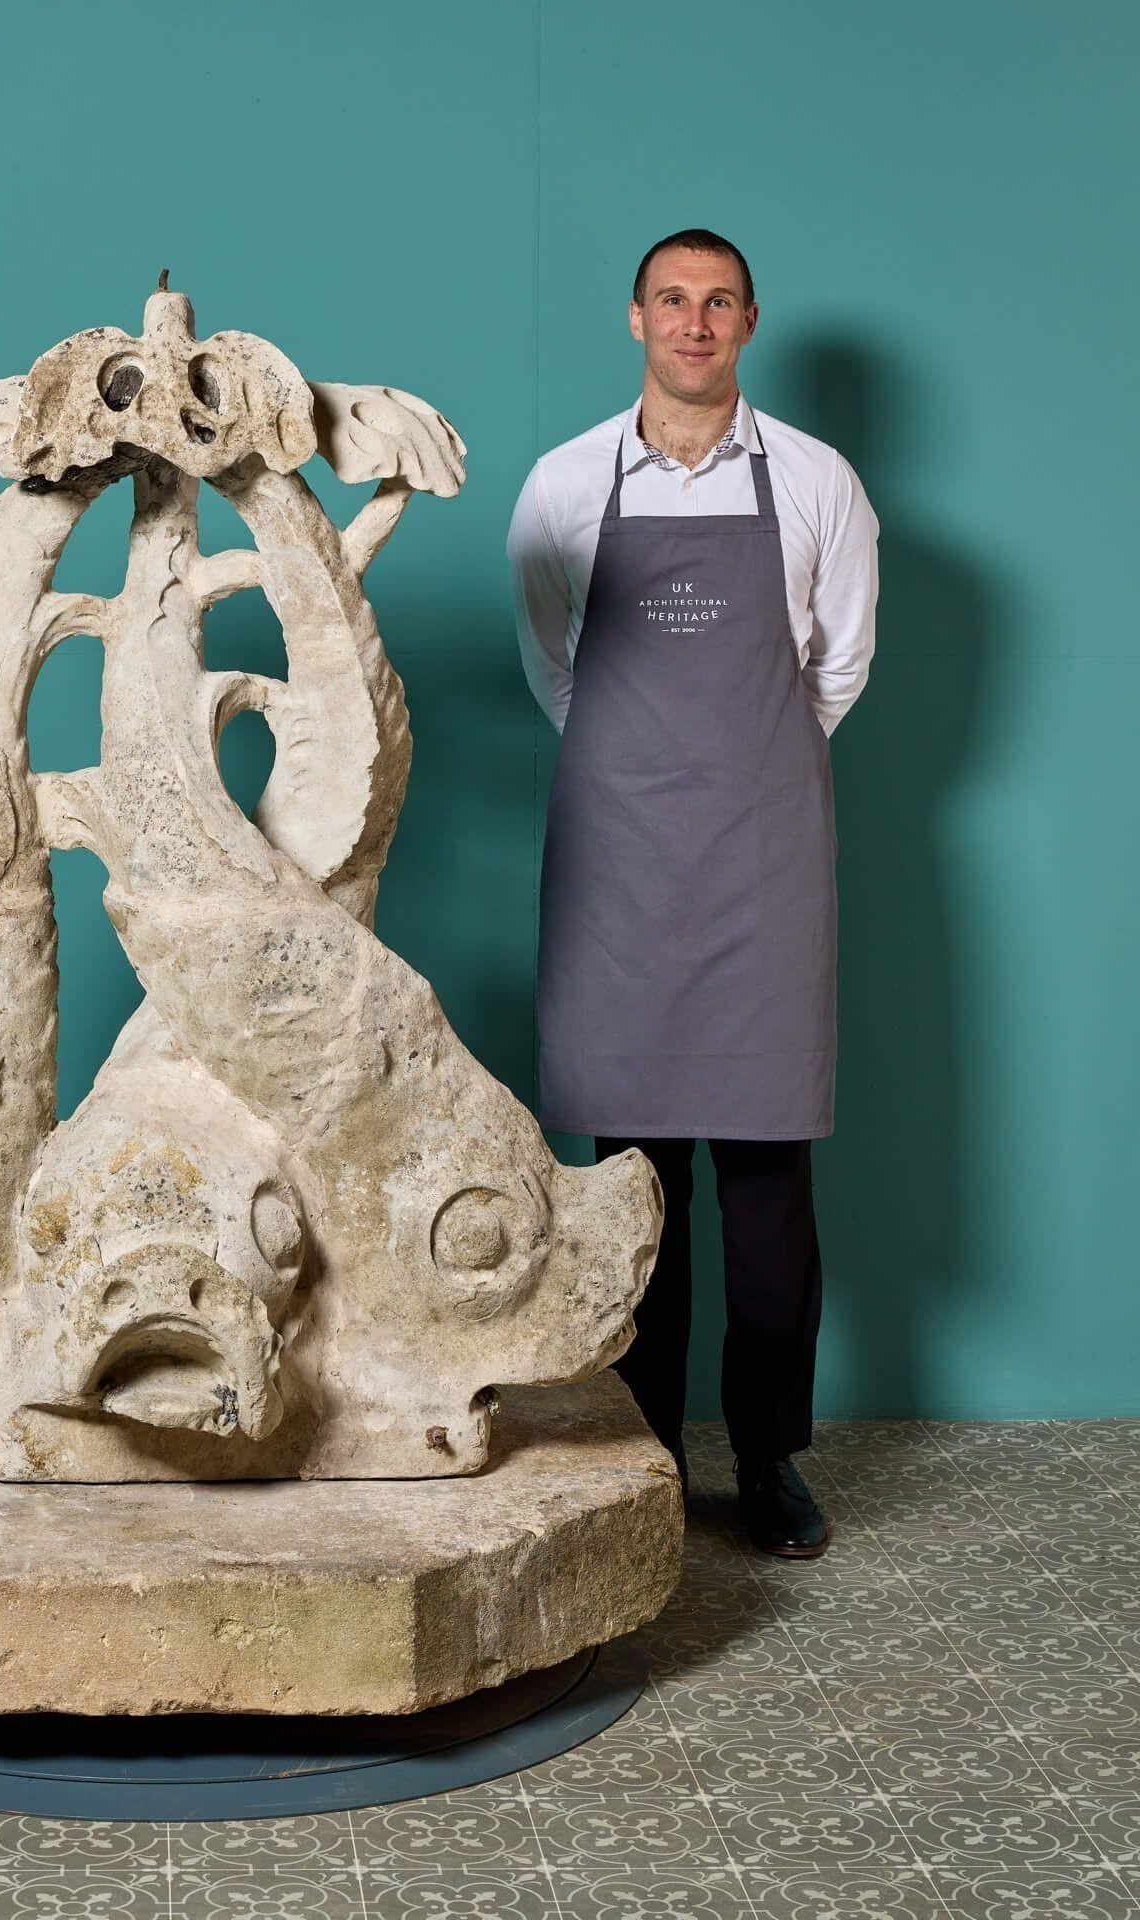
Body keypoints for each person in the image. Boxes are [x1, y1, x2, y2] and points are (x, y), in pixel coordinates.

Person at [505, 229, 878, 1558]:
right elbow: (559, 673)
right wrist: (638, 773)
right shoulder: (562, 485)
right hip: (619, 869)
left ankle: (769, 1460)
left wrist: (743, 775)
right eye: (674, 299)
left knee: (770, 1191)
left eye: (719, 302)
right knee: (633, 1189)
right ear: (637, 319)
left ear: (750, 322)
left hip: (765, 867)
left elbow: (832, 675)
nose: (696, 321)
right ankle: (641, 1455)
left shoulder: (822, 484)